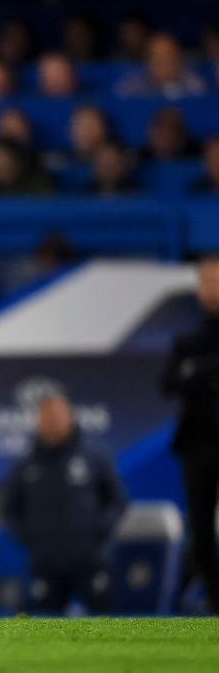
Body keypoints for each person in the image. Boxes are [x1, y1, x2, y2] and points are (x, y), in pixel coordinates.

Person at [2, 391, 127, 613]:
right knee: (41, 630)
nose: (51, 421)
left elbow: (117, 501)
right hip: (45, 562)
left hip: (89, 560)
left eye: (57, 414)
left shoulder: (93, 457)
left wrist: (98, 531)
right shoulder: (24, 464)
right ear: (37, 421)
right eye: (45, 416)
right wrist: (32, 537)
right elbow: (9, 510)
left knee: (106, 623)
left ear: (69, 416)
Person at [160, 256, 219, 613]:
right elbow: (167, 384)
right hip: (197, 443)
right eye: (205, 281)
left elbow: (185, 377)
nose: (210, 288)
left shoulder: (190, 350)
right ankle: (215, 606)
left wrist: (197, 371)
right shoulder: (187, 340)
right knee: (200, 532)